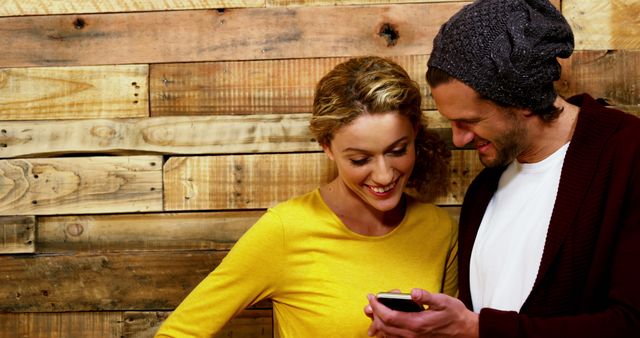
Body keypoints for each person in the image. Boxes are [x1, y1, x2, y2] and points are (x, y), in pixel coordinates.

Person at [365, 0, 640, 337]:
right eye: (451, 122)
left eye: (469, 121)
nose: (459, 139)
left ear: (522, 100)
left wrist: (477, 329)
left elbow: (630, 323)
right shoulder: (484, 190)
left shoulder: (628, 156)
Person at [155, 56, 458, 337]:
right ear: (327, 146)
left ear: (415, 132)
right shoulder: (286, 230)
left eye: (397, 151)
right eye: (360, 160)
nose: (383, 175)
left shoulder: (439, 229)